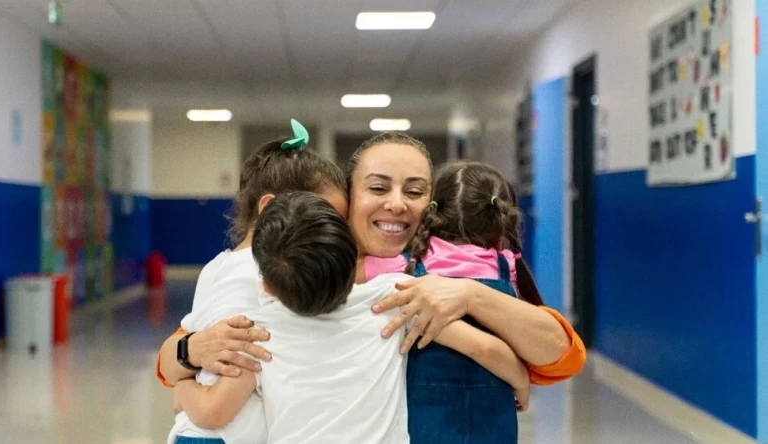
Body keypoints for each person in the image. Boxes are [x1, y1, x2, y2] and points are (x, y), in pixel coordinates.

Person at [157, 131, 585, 443]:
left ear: (432, 208)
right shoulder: (296, 278)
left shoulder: (431, 282)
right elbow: (173, 362)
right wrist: (189, 350)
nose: (396, 203)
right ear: (346, 201)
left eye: (415, 191)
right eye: (377, 187)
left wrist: (470, 295)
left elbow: (562, 359)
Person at [175, 191, 531, 443]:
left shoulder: (258, 333)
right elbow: (485, 350)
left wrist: (183, 387)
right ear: (355, 261)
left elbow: (213, 413)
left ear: (266, 286)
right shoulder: (392, 296)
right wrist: (519, 379)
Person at [164, 120, 350, 444]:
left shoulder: (217, 266)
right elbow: (216, 407)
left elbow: (182, 345)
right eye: (320, 217)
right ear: (269, 209)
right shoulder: (265, 279)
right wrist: (185, 390)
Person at [364, 161, 564, 442]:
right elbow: (495, 346)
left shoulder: (402, 269)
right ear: (502, 220)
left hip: (424, 423)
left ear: (431, 213)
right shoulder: (506, 268)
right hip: (494, 424)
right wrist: (520, 380)